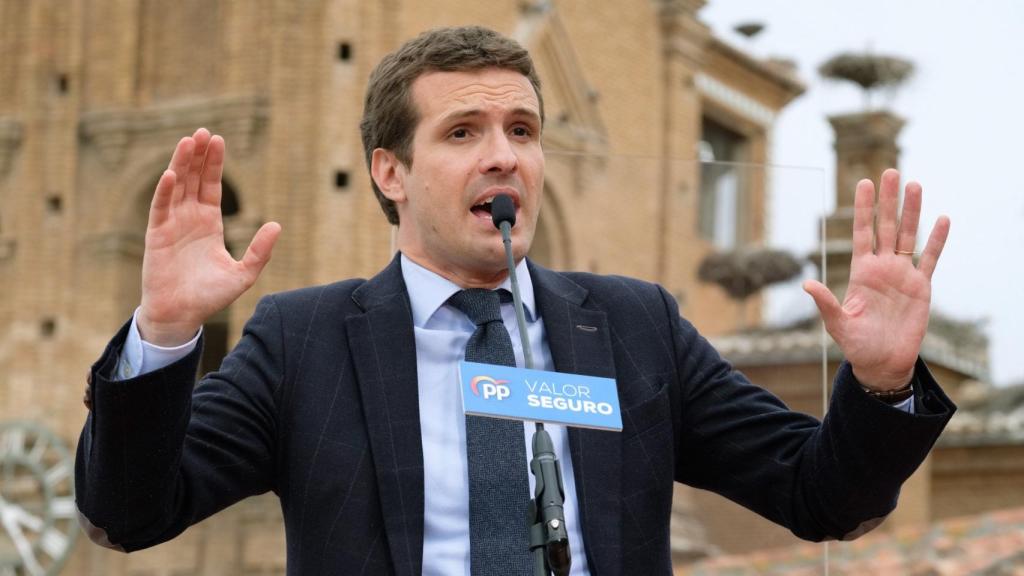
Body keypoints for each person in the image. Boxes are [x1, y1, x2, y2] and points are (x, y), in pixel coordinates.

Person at [75, 26, 954, 576]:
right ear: (391, 171)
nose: (504, 157)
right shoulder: (302, 340)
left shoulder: (634, 327)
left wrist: (880, 384)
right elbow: (130, 514)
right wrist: (166, 333)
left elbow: (821, 497)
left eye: (522, 132)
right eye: (463, 132)